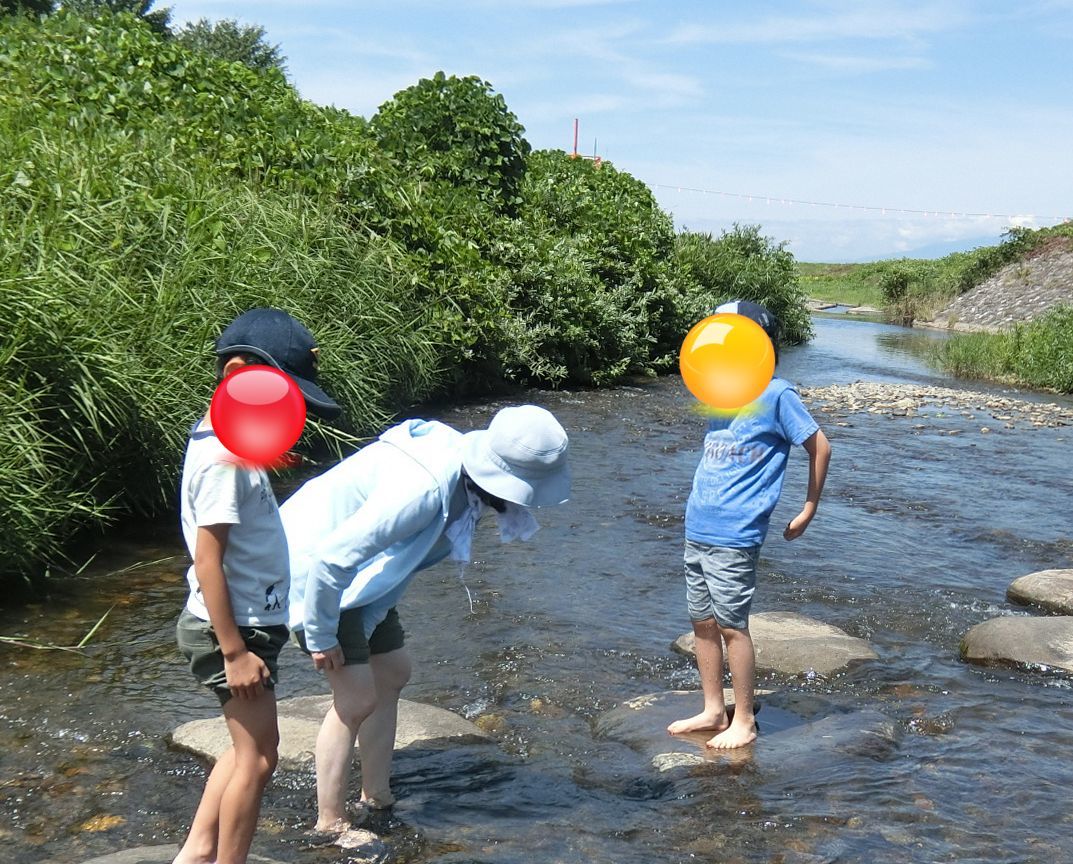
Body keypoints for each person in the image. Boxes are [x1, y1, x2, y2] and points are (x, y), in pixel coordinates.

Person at [279, 404, 570, 835]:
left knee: (392, 672)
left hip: (364, 579)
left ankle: (376, 795)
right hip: (314, 578)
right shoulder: (423, 491)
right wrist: (321, 636)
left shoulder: (462, 475)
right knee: (356, 699)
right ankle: (330, 824)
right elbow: (330, 559)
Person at [173, 308, 340, 864]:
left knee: (249, 749)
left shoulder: (228, 444)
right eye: (286, 395)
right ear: (242, 376)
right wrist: (235, 651)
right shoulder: (225, 460)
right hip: (234, 629)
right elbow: (207, 560)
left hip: (249, 623)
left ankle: (198, 851)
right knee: (259, 758)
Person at [668, 300, 831, 750]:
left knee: (731, 624)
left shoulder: (777, 394)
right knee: (701, 622)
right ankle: (712, 707)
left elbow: (820, 446)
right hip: (698, 525)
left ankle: (744, 719)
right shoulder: (718, 392)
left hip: (736, 532)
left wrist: (809, 506)